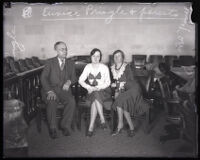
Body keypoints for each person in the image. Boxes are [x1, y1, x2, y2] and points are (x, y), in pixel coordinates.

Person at [40, 41, 77, 139]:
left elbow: (74, 78)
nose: (65, 51)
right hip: (51, 89)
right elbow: (43, 78)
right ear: (56, 50)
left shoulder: (70, 63)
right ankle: (52, 128)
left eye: (66, 49)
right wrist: (49, 91)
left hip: (64, 91)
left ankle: (65, 125)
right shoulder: (50, 62)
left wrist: (69, 82)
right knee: (51, 101)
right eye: (62, 49)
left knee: (71, 101)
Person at [110, 50, 150, 137]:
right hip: (125, 90)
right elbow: (118, 83)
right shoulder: (113, 68)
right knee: (123, 103)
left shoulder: (127, 66)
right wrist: (117, 90)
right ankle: (131, 128)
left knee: (120, 100)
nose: (117, 58)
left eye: (119, 56)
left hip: (134, 89)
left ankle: (120, 124)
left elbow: (130, 81)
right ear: (113, 58)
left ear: (122, 57)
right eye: (115, 56)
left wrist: (116, 85)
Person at [78, 48, 111, 137]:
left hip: (104, 91)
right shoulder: (87, 67)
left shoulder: (104, 67)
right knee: (95, 95)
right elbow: (80, 80)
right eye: (94, 56)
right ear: (91, 57)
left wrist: (98, 87)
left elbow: (108, 82)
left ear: (100, 57)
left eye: (98, 56)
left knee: (95, 95)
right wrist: (88, 87)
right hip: (92, 91)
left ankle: (91, 127)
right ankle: (102, 119)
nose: (96, 58)